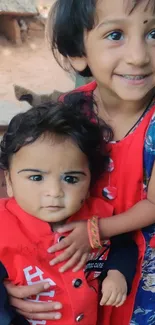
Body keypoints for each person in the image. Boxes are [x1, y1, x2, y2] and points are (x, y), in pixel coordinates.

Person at [5, 0, 155, 324]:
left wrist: (95, 231)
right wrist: (9, 284)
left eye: (153, 33)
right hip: (75, 273)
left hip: (140, 276)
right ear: (78, 53)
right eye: (115, 34)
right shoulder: (69, 110)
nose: (140, 56)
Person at [0, 94, 138, 325]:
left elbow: (123, 245)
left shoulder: (99, 216)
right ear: (10, 182)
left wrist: (117, 273)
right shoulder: (3, 225)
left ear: (90, 182)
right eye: (36, 177)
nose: (54, 192)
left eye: (71, 179)